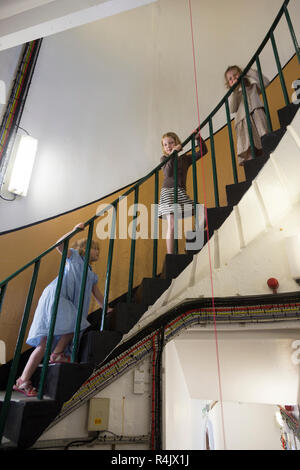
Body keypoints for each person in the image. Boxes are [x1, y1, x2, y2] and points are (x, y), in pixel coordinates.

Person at [13, 223, 109, 397]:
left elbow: (97, 294)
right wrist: (74, 230)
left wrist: (106, 308)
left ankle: (23, 380)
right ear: (83, 249)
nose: (97, 253)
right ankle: (57, 354)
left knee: (43, 344)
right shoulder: (74, 258)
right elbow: (60, 245)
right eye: (94, 249)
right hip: (56, 296)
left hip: (60, 301)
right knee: (77, 322)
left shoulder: (91, 273)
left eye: (98, 250)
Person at [158, 131, 207, 254]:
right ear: (163, 148)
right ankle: (170, 255)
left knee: (203, 211)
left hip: (180, 192)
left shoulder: (185, 159)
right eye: (165, 144)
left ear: (177, 143)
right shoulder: (164, 159)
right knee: (172, 225)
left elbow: (202, 152)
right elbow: (168, 172)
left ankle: (195, 235)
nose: (168, 146)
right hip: (168, 192)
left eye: (171, 143)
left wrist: (198, 138)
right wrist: (174, 153)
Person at [225, 65, 270, 166]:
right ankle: (252, 165)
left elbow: (265, 82)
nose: (233, 79)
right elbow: (233, 108)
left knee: (263, 137)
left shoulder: (252, 84)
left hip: (256, 113)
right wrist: (235, 91)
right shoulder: (234, 94)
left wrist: (250, 72)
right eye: (230, 79)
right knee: (248, 145)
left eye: (235, 75)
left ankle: (267, 159)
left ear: (241, 74)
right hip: (243, 120)